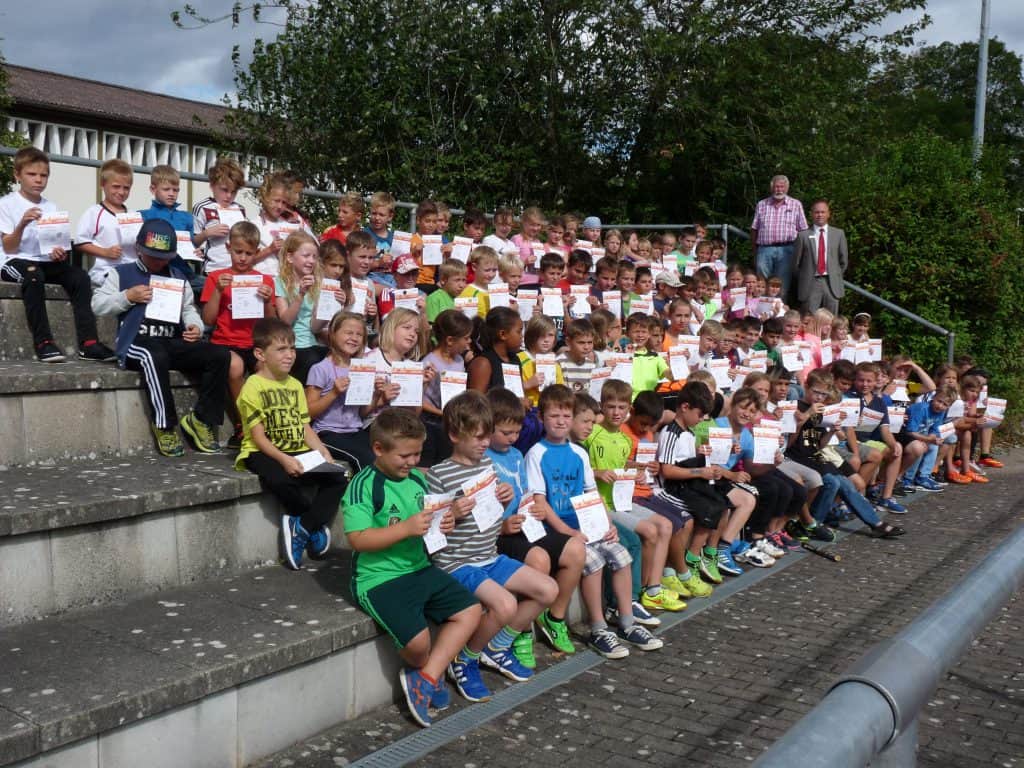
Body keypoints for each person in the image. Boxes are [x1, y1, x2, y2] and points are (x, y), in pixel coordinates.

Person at [342, 407, 481, 728]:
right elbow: (358, 539)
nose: (413, 462)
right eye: (405, 455)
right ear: (378, 449)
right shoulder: (364, 485)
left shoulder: (419, 479)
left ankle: (427, 678)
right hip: (380, 578)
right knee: (419, 647)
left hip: (419, 567)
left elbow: (431, 523)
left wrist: (447, 520)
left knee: (471, 611)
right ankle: (422, 668)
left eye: (418, 453)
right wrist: (405, 528)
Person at [426, 391, 557, 702]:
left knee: (548, 589)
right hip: (458, 562)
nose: (484, 443)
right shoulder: (439, 474)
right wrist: (451, 514)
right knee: (505, 604)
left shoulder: (487, 465)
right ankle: (465, 658)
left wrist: (505, 499)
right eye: (478, 437)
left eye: (487, 436)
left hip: (489, 555)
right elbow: (431, 535)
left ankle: (496, 646)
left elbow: (492, 517)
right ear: (455, 435)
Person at [526, 385, 662, 658]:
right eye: (554, 416)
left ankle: (627, 622)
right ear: (542, 418)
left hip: (584, 523)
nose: (561, 421)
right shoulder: (536, 454)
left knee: (621, 554)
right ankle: (598, 628)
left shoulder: (579, 453)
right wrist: (568, 531)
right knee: (594, 561)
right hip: (557, 529)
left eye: (566, 415)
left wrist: (605, 524)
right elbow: (540, 502)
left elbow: (591, 494)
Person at [92, 218, 228, 456]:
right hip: (137, 341)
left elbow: (188, 310)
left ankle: (201, 419)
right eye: (152, 255)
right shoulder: (120, 273)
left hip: (172, 341)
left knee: (219, 354)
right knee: (154, 355)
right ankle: (164, 425)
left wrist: (194, 326)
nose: (158, 262)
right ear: (138, 249)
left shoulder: (177, 276)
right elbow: (98, 305)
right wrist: (127, 296)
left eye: (163, 257)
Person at [235, 317, 347, 569]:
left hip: (298, 448)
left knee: (338, 477)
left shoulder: (295, 385)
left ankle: (303, 526)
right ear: (260, 354)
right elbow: (257, 437)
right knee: (280, 479)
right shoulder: (252, 386)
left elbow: (305, 426)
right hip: (263, 451)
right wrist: (284, 459)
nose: (290, 355)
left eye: (293, 348)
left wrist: (323, 452)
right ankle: (313, 523)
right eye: (281, 349)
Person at [485, 387, 586, 665]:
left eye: (516, 433)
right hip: (500, 534)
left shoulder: (516, 455)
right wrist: (502, 525)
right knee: (539, 560)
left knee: (576, 549)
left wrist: (535, 506)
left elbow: (525, 493)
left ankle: (555, 618)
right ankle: (520, 632)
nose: (512, 439)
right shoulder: (483, 458)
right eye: (505, 433)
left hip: (526, 526)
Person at [1, 147, 114, 363]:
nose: (38, 180)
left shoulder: (50, 205)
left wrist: (58, 252)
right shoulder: (6, 204)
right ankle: (43, 342)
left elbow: (53, 244)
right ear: (17, 175)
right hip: (13, 261)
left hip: (44, 261)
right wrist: (22, 224)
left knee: (79, 276)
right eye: (32, 174)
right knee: (33, 277)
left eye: (43, 175)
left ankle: (89, 343)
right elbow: (9, 247)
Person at [583, 380, 683, 614]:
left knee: (665, 525)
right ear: (602, 407)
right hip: (601, 504)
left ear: (628, 409)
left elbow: (618, 465)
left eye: (621, 408)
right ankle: (634, 596)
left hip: (620, 500)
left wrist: (634, 470)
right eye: (611, 407)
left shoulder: (626, 440)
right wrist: (597, 473)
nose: (616, 413)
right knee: (648, 532)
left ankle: (652, 589)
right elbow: (581, 463)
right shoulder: (592, 433)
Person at [199, 220, 276, 443]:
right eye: (238, 251)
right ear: (228, 248)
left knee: (269, 367)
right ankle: (245, 424)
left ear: (257, 253)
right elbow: (208, 319)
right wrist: (218, 291)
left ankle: (270, 423)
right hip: (225, 342)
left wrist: (267, 300)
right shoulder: (216, 277)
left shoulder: (265, 280)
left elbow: (271, 322)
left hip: (255, 343)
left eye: (249, 253)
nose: (242, 258)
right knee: (235, 367)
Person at [306, 311, 380, 473]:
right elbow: (308, 412)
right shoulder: (320, 369)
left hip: (355, 430)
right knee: (366, 459)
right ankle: (363, 496)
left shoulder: (360, 368)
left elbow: (361, 412)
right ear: (332, 334)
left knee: (384, 454)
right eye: (348, 332)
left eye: (359, 334)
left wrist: (376, 394)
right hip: (328, 432)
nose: (354, 338)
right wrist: (333, 393)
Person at [139, 164, 202, 293]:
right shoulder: (143, 216)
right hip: (154, 273)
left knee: (212, 286)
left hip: (183, 272)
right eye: (166, 189)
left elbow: (190, 246)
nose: (171, 194)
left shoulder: (186, 217)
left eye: (175, 190)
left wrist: (196, 252)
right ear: (153, 189)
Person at [76, 158, 136, 287]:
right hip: (105, 271)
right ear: (102, 184)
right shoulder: (94, 213)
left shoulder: (133, 215)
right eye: (116, 187)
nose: (121, 192)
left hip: (132, 270)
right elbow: (81, 243)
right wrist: (105, 252)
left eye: (126, 188)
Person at [750, 174, 807, 298]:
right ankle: (760, 311)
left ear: (787, 188)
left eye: (782, 187)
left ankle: (779, 312)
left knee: (782, 283)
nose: (779, 190)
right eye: (776, 187)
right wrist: (755, 250)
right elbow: (754, 228)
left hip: (787, 250)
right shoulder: (762, 204)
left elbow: (803, 231)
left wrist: (802, 253)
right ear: (772, 188)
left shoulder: (796, 204)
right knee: (761, 283)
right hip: (764, 249)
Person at [191, 157, 248, 274]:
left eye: (233, 192)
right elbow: (192, 242)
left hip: (238, 270)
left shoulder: (240, 209)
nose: (228, 196)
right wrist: (207, 233)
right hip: (213, 269)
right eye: (224, 190)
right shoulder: (202, 207)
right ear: (212, 185)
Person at [792, 199, 847, 313]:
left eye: (823, 212)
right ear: (811, 214)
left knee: (831, 320)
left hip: (831, 283)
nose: (820, 215)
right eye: (817, 212)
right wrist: (805, 276)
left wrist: (835, 274)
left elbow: (843, 261)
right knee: (809, 318)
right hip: (810, 283)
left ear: (828, 214)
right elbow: (795, 264)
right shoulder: (803, 235)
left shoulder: (838, 234)